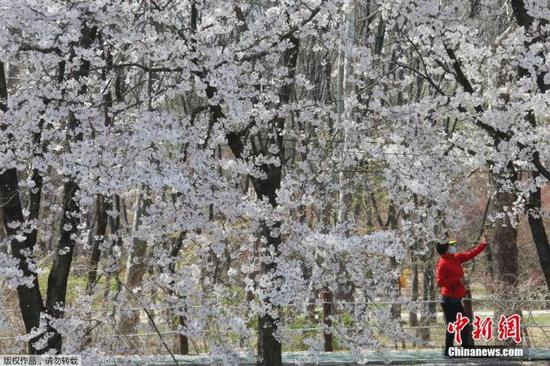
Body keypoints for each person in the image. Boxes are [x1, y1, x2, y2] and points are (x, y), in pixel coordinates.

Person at [435, 236, 488, 356]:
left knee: (457, 325)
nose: (453, 247)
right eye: (450, 246)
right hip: (449, 299)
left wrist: (483, 244)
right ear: (446, 249)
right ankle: (458, 350)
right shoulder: (443, 263)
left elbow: (470, 254)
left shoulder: (455, 258)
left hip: (455, 299)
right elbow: (440, 282)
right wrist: (457, 280)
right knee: (457, 324)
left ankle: (453, 351)